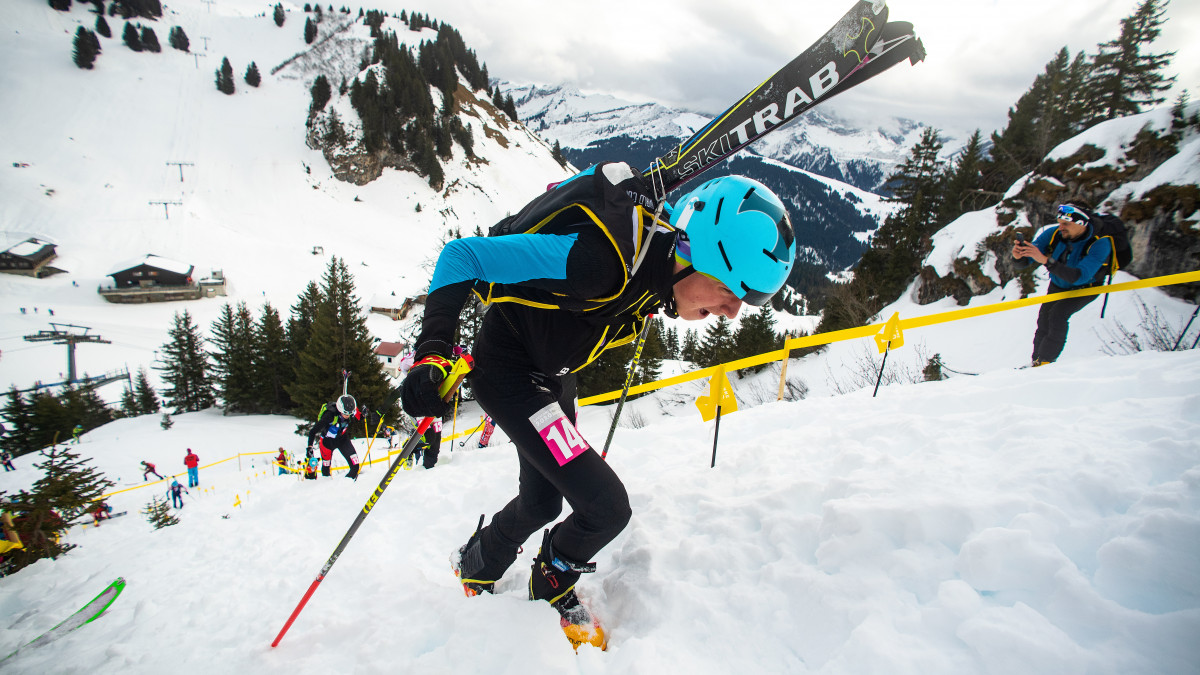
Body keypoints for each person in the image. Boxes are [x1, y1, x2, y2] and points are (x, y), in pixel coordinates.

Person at [397, 165, 795, 650]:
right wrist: (434, 352)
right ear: (698, 257)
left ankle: (478, 561)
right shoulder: (597, 263)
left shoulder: (661, 258)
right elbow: (462, 257)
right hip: (510, 372)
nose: (733, 312)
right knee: (605, 507)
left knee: (544, 501)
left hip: (553, 379)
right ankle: (550, 585)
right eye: (733, 293)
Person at [1012, 201, 1113, 366]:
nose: (1061, 227)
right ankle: (1036, 362)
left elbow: (1078, 276)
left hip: (1085, 287)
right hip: (1059, 283)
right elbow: (1024, 262)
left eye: (1066, 224)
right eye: (1060, 223)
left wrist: (1045, 260)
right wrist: (1018, 256)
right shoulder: (1054, 234)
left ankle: (1045, 362)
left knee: (1057, 315)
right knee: (1043, 319)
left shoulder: (1100, 243)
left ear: (1082, 223)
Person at [306, 394, 365, 479]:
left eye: (350, 414)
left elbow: (360, 417)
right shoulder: (329, 415)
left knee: (355, 467)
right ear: (340, 409)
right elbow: (313, 431)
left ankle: (346, 485)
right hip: (327, 443)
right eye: (345, 414)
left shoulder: (351, 408)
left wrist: (363, 414)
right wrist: (309, 447)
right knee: (326, 471)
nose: (348, 416)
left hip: (342, 440)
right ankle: (329, 487)